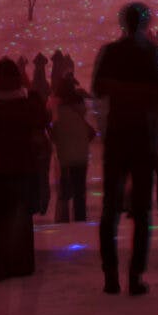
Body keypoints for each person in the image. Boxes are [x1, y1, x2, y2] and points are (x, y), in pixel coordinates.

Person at [92, 2, 158, 295]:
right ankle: (135, 275)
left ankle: (110, 274)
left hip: (118, 132)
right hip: (143, 135)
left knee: (110, 207)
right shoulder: (153, 53)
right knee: (142, 209)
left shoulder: (110, 52)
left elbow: (98, 88)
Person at [0, 59, 50, 280]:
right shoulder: (29, 106)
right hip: (24, 169)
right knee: (21, 218)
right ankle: (21, 264)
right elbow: (43, 120)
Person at [50, 75, 95, 223]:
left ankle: (63, 217)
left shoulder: (56, 107)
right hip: (81, 151)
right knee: (79, 189)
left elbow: (53, 130)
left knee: (64, 187)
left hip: (64, 152)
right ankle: (80, 217)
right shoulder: (80, 107)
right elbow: (90, 132)